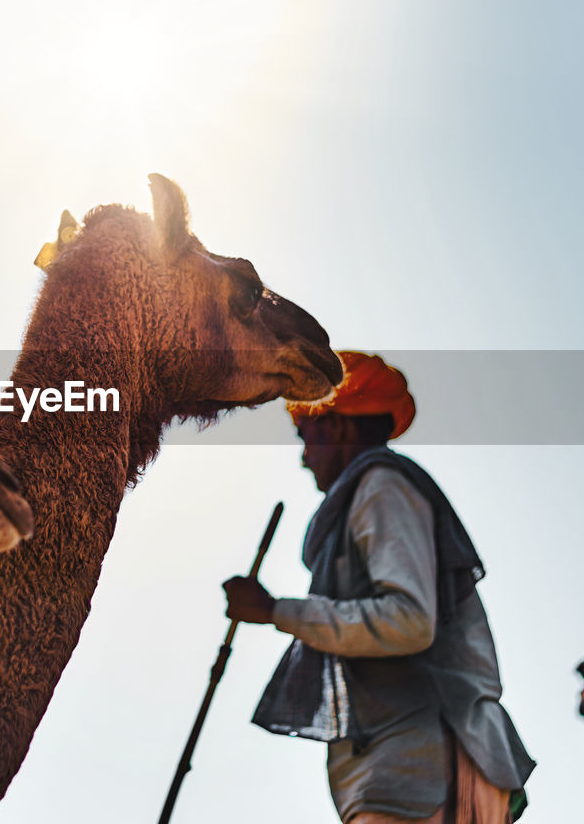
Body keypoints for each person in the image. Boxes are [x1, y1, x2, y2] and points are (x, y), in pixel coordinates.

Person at [223, 352, 534, 824]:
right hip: (406, 774)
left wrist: (275, 611)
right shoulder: (366, 496)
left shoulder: (381, 486)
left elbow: (409, 622)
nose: (304, 458)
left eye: (306, 437)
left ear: (339, 428)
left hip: (421, 768)